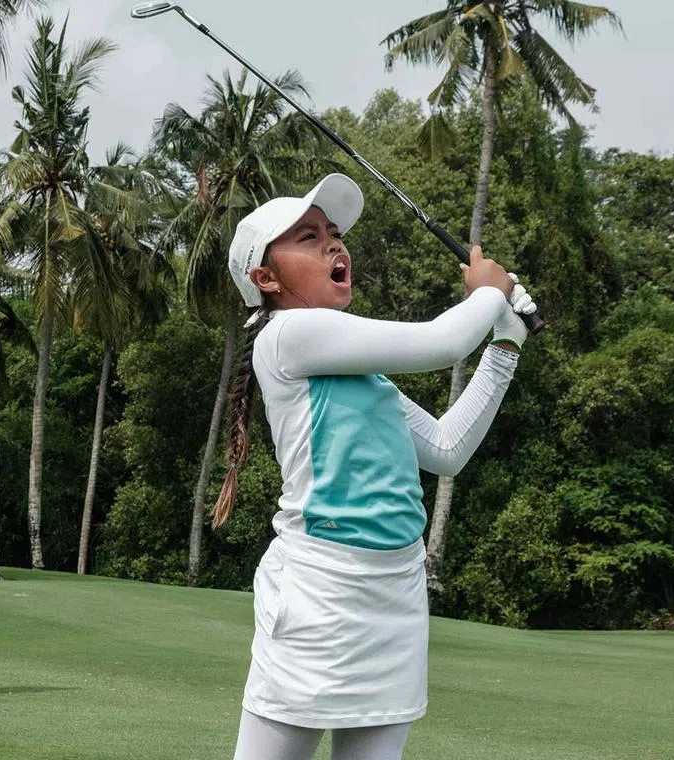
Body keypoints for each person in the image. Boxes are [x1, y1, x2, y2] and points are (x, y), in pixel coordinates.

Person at [217, 174, 538, 760]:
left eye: (335, 234)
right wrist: (489, 291)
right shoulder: (285, 334)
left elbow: (446, 449)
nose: (334, 245)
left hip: (395, 594)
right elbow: (441, 343)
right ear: (266, 279)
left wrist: (505, 346)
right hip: (319, 590)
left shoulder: (366, 379)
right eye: (308, 238)